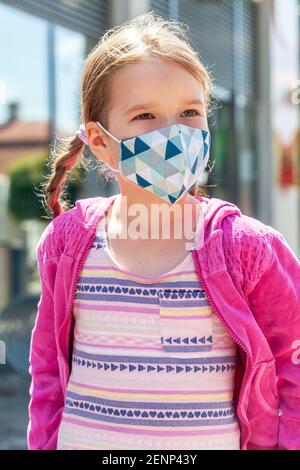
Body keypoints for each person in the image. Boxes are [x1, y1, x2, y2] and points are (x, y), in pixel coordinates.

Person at [27, 11, 300, 451]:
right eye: (145, 116)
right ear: (100, 142)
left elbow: (293, 363)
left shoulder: (246, 248)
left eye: (190, 111)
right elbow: (46, 371)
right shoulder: (68, 243)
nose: (174, 133)